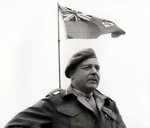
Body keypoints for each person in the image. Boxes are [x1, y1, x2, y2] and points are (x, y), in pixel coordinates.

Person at [5, 48, 126, 128]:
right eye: (87, 67)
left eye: (97, 68)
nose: (94, 72)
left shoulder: (109, 105)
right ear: (72, 74)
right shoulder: (56, 103)